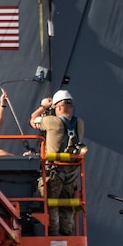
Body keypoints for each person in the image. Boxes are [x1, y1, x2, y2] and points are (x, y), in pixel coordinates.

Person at [29, 89, 86, 237]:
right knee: (67, 205)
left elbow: (32, 120)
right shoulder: (79, 123)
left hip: (54, 171)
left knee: (51, 204)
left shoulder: (51, 121)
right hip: (71, 172)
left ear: (58, 107)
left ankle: (53, 236)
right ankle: (67, 234)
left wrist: (44, 107)